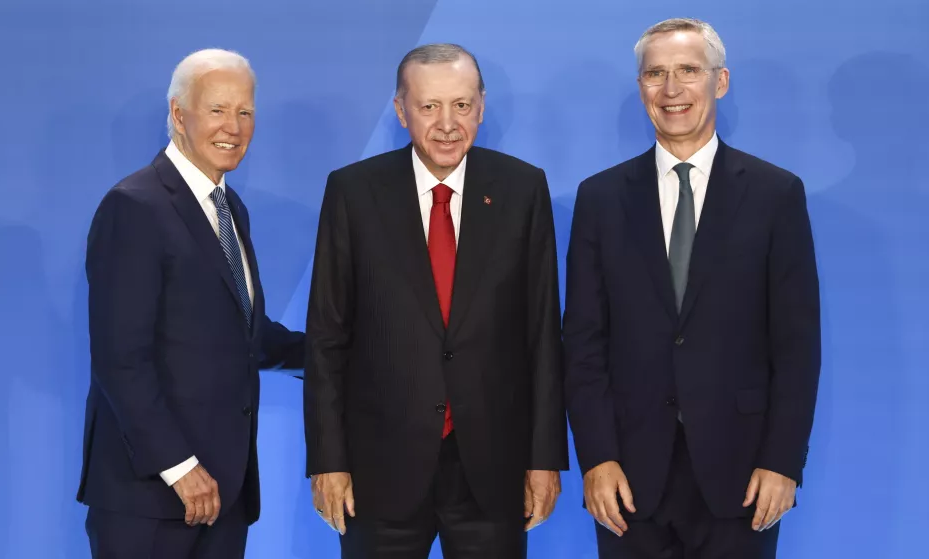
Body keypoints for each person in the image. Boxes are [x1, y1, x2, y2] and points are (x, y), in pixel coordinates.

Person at [563, 18, 821, 558]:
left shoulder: (776, 196)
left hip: (744, 474)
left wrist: (782, 461)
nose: (672, 89)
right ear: (641, 89)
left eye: (688, 71)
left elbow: (797, 346)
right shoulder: (600, 199)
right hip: (629, 480)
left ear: (719, 81)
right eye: (656, 73)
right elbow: (583, 344)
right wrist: (597, 459)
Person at [303, 43, 569, 558]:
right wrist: (328, 461)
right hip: (379, 472)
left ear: (482, 107)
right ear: (401, 110)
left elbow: (541, 334)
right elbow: (326, 337)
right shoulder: (353, 193)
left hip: (493, 472)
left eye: (462, 105)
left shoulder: (522, 189)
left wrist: (544, 459)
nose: (447, 124)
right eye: (429, 107)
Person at [77, 48, 305, 558]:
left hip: (223, 493)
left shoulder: (228, 207)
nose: (234, 126)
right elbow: (120, 358)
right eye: (217, 110)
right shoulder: (134, 206)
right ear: (179, 115)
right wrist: (180, 468)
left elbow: (242, 333)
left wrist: (334, 350)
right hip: (152, 498)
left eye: (245, 112)